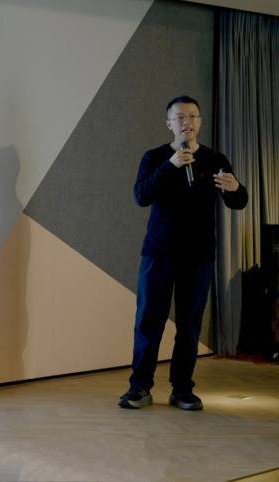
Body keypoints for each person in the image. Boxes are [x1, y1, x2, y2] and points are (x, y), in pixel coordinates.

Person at [119, 95, 247, 410]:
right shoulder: (155, 157)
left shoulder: (215, 159)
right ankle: (139, 388)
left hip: (198, 255)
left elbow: (237, 202)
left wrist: (236, 188)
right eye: (180, 117)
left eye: (192, 116)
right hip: (159, 253)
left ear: (199, 122)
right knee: (149, 321)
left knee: (189, 325)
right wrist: (171, 165)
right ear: (169, 123)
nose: (186, 122)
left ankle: (182, 390)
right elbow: (141, 196)